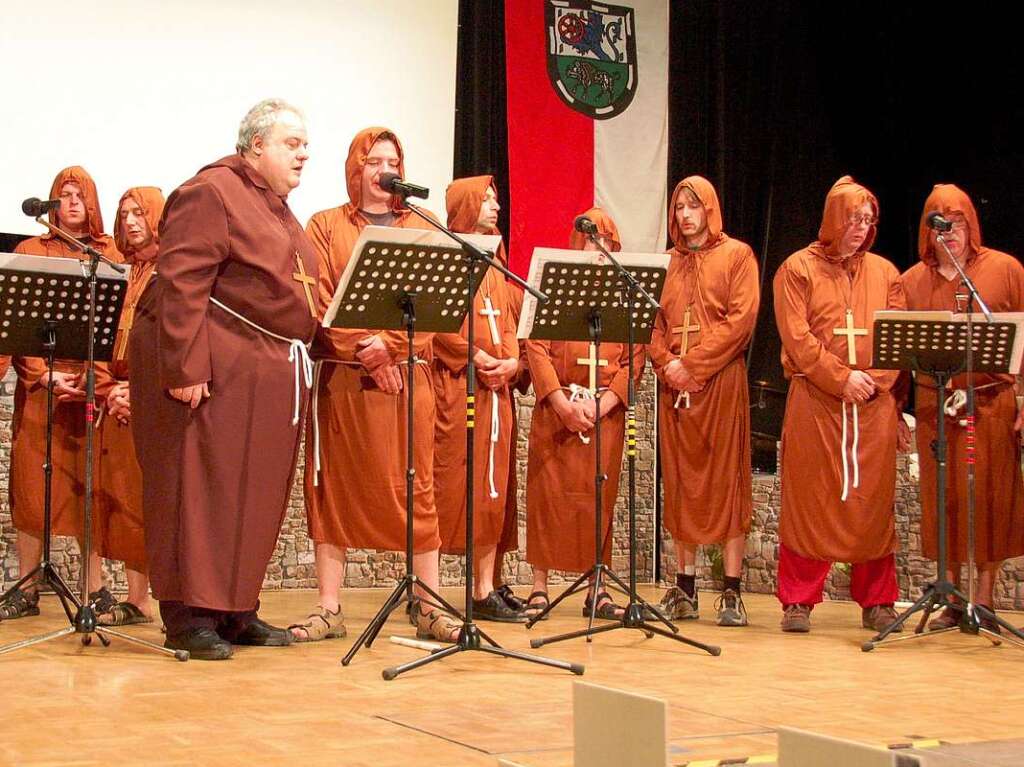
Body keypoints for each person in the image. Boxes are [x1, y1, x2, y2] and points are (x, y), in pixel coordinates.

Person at [129, 99, 317, 659]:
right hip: (213, 368)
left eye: (306, 144)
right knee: (196, 491)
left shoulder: (277, 207)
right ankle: (189, 617)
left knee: (249, 495)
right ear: (255, 145)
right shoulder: (211, 191)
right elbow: (182, 279)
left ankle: (236, 609)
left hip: (262, 375)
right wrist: (185, 365)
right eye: (292, 143)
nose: (304, 153)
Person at [294, 127, 458, 643]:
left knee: (418, 486)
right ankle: (328, 607)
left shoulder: (426, 226)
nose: (385, 168)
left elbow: (441, 300)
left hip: (409, 380)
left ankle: (429, 603)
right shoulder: (323, 225)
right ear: (355, 169)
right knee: (333, 488)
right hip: (344, 381)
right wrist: (367, 348)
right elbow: (316, 301)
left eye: (393, 160)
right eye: (373, 160)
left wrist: (394, 346)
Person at [772, 175, 906, 633]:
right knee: (809, 498)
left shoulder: (887, 274)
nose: (860, 228)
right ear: (834, 220)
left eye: (868, 220)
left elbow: (899, 337)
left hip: (872, 404)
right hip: (816, 400)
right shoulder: (796, 269)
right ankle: (798, 600)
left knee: (872, 501)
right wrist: (839, 377)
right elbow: (797, 336)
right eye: (853, 219)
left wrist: (872, 380)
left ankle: (878, 600)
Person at [899, 184, 1024, 633]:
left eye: (957, 224)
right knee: (945, 503)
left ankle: (985, 602)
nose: (949, 233)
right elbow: (897, 355)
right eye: (940, 224)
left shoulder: (1006, 270)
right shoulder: (911, 281)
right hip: (937, 408)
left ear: (971, 226)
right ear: (927, 232)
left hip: (992, 404)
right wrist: (897, 411)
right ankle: (950, 599)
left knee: (991, 503)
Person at [1, 167, 121, 622]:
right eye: (63, 195)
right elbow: (16, 326)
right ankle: (27, 587)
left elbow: (117, 325)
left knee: (90, 487)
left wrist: (94, 376)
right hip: (41, 392)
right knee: (32, 489)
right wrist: (43, 376)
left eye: (80, 195)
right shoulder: (30, 251)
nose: (71, 203)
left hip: (92, 388)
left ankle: (96, 587)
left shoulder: (108, 254)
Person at [648, 176, 759, 627]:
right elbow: (653, 329)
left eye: (694, 206)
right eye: (678, 207)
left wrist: (692, 365)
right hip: (676, 389)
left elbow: (741, 321)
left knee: (727, 482)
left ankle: (731, 591)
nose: (685, 214)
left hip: (719, 385)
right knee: (680, 483)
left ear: (710, 209)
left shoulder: (737, 256)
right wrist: (667, 365)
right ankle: (684, 586)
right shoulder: (666, 264)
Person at [524, 208, 642, 620]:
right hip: (557, 412)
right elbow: (535, 347)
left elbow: (634, 358)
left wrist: (604, 403)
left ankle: (598, 587)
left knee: (599, 500)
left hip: (602, 415)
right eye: (591, 240)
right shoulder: (551, 287)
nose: (598, 248)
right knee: (547, 497)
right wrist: (559, 401)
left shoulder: (626, 295)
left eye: (605, 242)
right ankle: (538, 586)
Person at [434, 176, 524, 622]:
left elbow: (509, 322)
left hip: (497, 393)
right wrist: (474, 356)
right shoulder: (446, 258)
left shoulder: (499, 265)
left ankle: (484, 587)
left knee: (494, 489)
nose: (495, 206)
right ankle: (427, 589)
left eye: (495, 199)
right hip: (455, 389)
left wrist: (511, 361)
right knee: (451, 485)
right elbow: (439, 327)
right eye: (485, 199)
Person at [90, 187, 167, 625]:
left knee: (145, 503)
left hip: (151, 404)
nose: (131, 222)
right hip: (116, 402)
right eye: (124, 215)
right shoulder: (123, 274)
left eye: (139, 213)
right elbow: (101, 343)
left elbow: (170, 348)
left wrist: (139, 393)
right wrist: (109, 391)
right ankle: (135, 599)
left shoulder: (172, 274)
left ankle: (151, 598)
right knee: (118, 501)